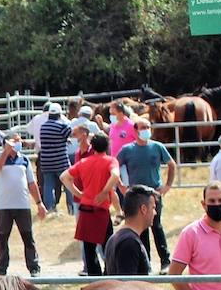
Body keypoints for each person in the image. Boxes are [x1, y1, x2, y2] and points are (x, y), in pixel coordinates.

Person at [116, 117, 177, 273]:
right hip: (136, 195)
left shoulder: (157, 147)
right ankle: (145, 263)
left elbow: (171, 164)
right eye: (143, 127)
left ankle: (165, 261)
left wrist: (167, 185)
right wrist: (121, 185)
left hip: (154, 193)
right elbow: (115, 167)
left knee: (156, 226)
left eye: (148, 127)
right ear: (135, 130)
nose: (146, 130)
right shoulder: (127, 150)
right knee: (140, 230)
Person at [61, 132, 120, 276]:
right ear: (107, 146)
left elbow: (64, 177)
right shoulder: (110, 161)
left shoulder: (83, 162)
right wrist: (105, 191)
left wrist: (78, 193)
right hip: (101, 208)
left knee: (89, 247)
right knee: (107, 244)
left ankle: (94, 275)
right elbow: (115, 175)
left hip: (86, 206)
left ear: (92, 146)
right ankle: (109, 273)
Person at [0, 131, 46, 277]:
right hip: (3, 206)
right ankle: (1, 268)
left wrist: (39, 203)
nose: (18, 143)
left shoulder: (25, 160)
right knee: (2, 238)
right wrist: (5, 152)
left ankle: (34, 266)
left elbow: (31, 183)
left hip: (22, 204)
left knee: (28, 236)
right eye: (15, 141)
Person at [104, 185, 158, 276]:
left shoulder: (115, 238)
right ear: (143, 209)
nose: (155, 213)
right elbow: (128, 286)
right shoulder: (129, 243)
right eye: (153, 208)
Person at [38, 102, 74, 214]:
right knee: (68, 183)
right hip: (61, 161)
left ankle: (50, 208)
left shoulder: (43, 127)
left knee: (48, 185)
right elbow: (69, 134)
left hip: (46, 161)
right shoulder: (62, 126)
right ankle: (71, 207)